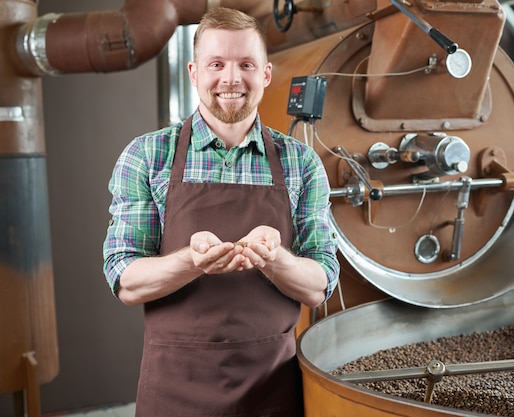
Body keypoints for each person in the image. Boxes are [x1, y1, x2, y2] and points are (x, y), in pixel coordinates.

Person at [102, 7, 339, 417]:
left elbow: (320, 284)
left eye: (246, 64)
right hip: (174, 388)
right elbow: (125, 280)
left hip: (272, 387)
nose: (231, 78)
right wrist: (192, 262)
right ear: (194, 72)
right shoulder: (146, 156)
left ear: (265, 74)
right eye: (217, 64)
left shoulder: (301, 162)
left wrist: (275, 259)